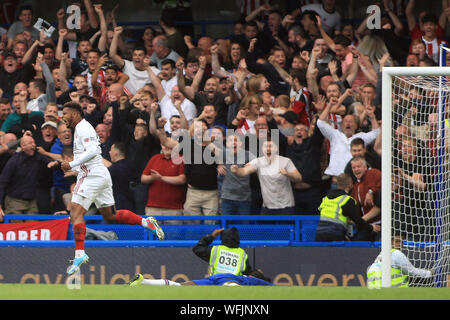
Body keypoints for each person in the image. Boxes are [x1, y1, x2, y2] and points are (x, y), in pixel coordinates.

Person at [60, 102, 164, 276]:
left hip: (92, 177)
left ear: (75, 113)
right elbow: (90, 156)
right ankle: (145, 222)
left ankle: (79, 253)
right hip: (100, 175)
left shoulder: (83, 127)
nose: (63, 117)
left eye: (65, 113)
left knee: (75, 213)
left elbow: (93, 151)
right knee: (110, 215)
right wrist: (73, 168)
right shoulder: (80, 129)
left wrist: (71, 163)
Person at [315, 173, 380, 242]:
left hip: (319, 235)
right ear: (350, 185)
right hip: (335, 235)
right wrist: (371, 228)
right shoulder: (347, 200)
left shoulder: (326, 198)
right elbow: (356, 220)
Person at [367, 237, 433, 289]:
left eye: (401, 242)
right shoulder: (396, 253)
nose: (400, 244)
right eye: (397, 241)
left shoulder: (381, 255)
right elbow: (412, 272)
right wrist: (429, 273)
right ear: (391, 243)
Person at [128, 270, 275, 287]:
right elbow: (268, 284)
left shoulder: (247, 276)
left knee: (180, 287)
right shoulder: (254, 280)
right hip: (228, 280)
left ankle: (143, 280)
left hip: (216, 277)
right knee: (232, 289)